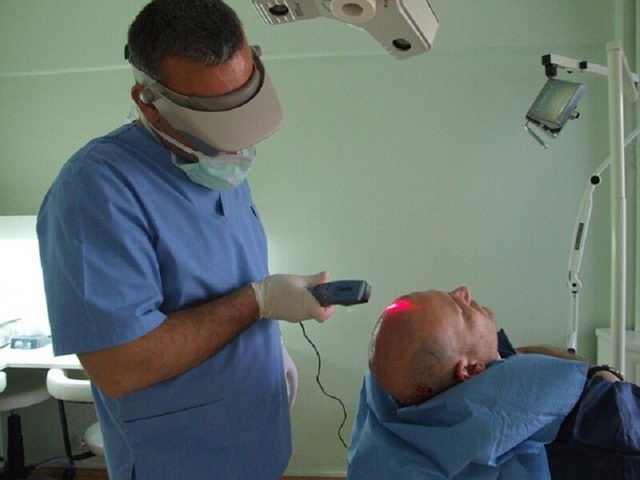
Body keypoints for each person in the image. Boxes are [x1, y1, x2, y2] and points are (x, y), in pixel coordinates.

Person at [37, 1, 334, 479]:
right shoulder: (95, 191)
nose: (235, 141)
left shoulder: (215, 169)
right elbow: (121, 367)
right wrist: (257, 303)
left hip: (256, 444)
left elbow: (216, 279)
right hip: (181, 460)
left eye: (242, 102)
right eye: (214, 117)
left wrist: (265, 351)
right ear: (149, 102)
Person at [349, 287, 640, 479]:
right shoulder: (605, 419)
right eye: (461, 310)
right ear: (469, 370)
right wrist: (603, 374)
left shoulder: (390, 411)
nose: (463, 292)